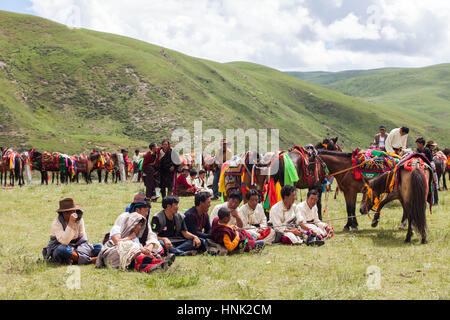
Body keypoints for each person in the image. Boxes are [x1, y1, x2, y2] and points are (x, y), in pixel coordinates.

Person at [96, 212, 175, 272]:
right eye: (137, 224)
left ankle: (157, 266)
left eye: (141, 225)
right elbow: (117, 242)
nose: (139, 227)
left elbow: (138, 247)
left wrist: (145, 250)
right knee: (129, 245)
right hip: (114, 252)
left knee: (136, 263)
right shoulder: (117, 228)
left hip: (131, 257)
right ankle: (158, 262)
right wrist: (130, 237)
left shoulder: (135, 237)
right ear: (131, 223)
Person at [42, 198, 102, 265]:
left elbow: (82, 238)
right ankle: (89, 260)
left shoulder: (79, 220)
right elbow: (65, 242)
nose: (74, 214)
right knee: (62, 249)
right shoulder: (56, 223)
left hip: (78, 246)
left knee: (99, 247)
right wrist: (71, 223)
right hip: (62, 246)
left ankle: (75, 259)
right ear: (64, 213)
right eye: (70, 212)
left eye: (74, 211)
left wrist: (80, 250)